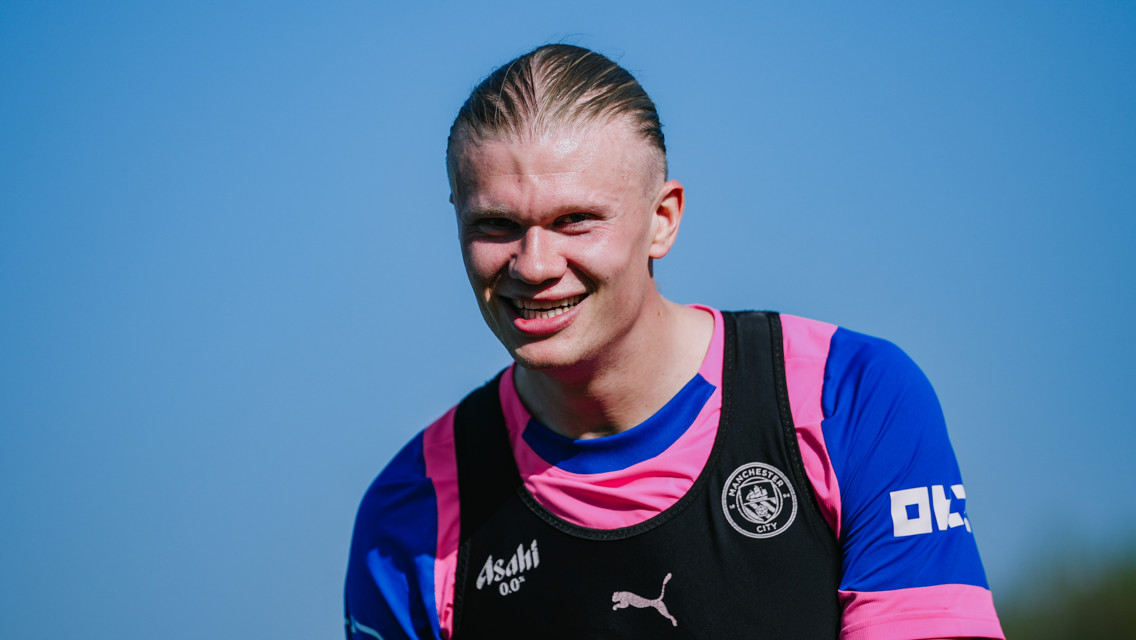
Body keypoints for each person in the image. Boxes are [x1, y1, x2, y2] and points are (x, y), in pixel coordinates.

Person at [344, 44, 1005, 640]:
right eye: (496, 225)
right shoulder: (411, 512)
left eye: (575, 220)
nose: (534, 264)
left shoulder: (848, 396)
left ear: (662, 220)